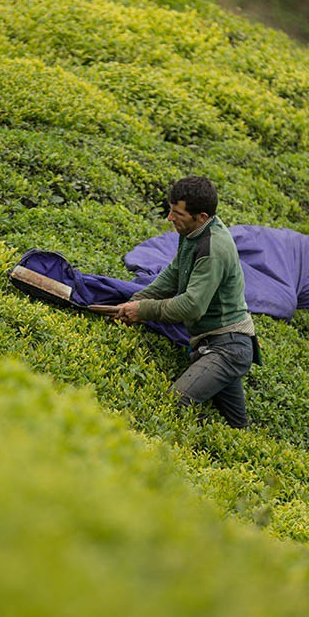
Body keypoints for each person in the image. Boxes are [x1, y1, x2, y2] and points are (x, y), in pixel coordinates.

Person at [114, 176, 258, 429]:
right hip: (212, 342)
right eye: (170, 209)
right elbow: (173, 274)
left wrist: (144, 311)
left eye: (176, 213)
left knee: (175, 403)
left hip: (228, 348)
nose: (170, 218)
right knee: (237, 426)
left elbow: (192, 305)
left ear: (201, 216)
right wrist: (137, 300)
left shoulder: (214, 248)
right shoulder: (191, 231)